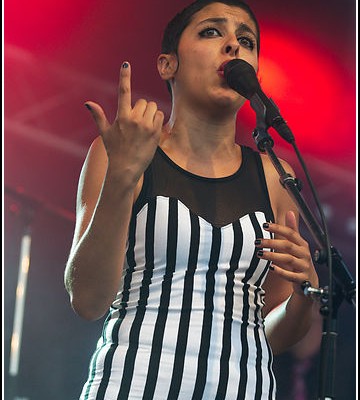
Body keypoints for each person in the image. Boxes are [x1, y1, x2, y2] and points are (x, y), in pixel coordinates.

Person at [64, 1, 319, 398]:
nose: (234, 45)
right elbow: (88, 299)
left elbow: (270, 331)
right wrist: (122, 177)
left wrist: (304, 297)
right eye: (212, 32)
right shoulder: (124, 150)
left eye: (247, 40)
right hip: (134, 384)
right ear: (167, 65)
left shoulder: (275, 174)